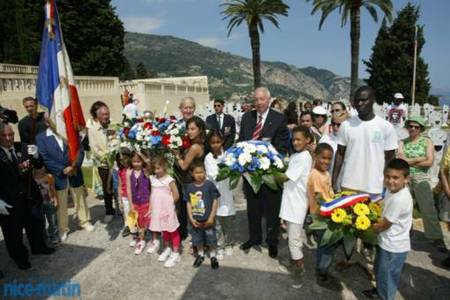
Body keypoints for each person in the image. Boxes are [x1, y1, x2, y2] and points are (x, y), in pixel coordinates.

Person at [332, 86, 398, 282]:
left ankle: (369, 264)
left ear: (373, 100)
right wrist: (335, 180)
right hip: (349, 185)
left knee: (371, 230)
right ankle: (349, 258)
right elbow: (340, 155)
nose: (360, 104)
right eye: (357, 100)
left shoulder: (385, 127)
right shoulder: (346, 126)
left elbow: (390, 159)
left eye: (364, 100)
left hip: (374, 188)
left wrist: (391, 188)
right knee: (349, 225)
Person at [238, 86, 289, 258]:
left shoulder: (279, 118)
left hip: (270, 175)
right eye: (256, 99)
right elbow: (240, 142)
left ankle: (272, 241)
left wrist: (265, 159)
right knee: (252, 208)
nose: (259, 103)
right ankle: (254, 238)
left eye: (262, 99)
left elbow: (282, 146)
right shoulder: (247, 117)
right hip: (249, 174)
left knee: (272, 209)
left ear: (268, 100)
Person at [0, 123, 54, 270]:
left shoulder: (22, 147)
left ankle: (38, 247)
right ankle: (20, 257)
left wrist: (36, 155)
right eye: (4, 135)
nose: (9, 138)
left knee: (35, 224)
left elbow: (37, 166)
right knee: (13, 233)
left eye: (10, 134)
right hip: (9, 200)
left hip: (29, 195)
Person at [363, 159, 413, 300]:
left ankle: (384, 296)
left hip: (393, 247)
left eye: (396, 178)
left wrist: (364, 226)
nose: (390, 181)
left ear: (406, 179)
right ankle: (379, 292)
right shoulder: (395, 190)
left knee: (387, 278)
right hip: (387, 242)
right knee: (380, 271)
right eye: (388, 177)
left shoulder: (400, 199)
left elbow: (384, 225)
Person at [36, 122, 94, 242]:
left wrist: (74, 166)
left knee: (80, 197)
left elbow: (80, 150)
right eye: (50, 119)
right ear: (46, 122)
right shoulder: (41, 138)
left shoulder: (70, 132)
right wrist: (61, 169)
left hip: (74, 172)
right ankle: (63, 228)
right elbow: (45, 157)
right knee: (61, 203)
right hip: (58, 175)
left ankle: (84, 221)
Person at [397, 116, 446, 252]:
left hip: (421, 177)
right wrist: (420, 158)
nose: (413, 128)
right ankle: (405, 232)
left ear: (421, 129)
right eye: (411, 126)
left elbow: (429, 162)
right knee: (403, 206)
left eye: (416, 127)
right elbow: (400, 159)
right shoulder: (402, 142)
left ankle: (436, 237)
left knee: (427, 207)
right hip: (405, 177)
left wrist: (409, 160)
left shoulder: (427, 142)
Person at [279, 126, 313, 276]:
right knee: (293, 236)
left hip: (297, 203)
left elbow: (286, 177)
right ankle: (295, 263)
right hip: (291, 201)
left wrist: (269, 173)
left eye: (299, 139)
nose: (295, 142)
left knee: (294, 239)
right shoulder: (296, 156)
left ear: (308, 140)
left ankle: (298, 270)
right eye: (293, 139)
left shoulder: (304, 157)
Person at [307, 143, 338, 288]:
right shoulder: (315, 175)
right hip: (320, 215)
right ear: (315, 157)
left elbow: (329, 193)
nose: (326, 161)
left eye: (329, 159)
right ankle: (321, 272)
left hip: (328, 213)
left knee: (326, 245)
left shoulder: (326, 173)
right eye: (323, 158)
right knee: (326, 245)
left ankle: (322, 268)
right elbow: (320, 199)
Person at [205, 130, 236, 259]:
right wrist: (226, 170)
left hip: (227, 193)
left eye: (218, 142)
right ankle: (219, 245)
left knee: (228, 221)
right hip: (215, 194)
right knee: (216, 223)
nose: (216, 145)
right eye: (213, 142)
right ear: (209, 143)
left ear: (222, 141)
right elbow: (214, 175)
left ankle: (228, 243)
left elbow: (233, 170)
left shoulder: (228, 155)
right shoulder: (208, 158)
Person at [184, 159, 220, 269]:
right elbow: (188, 203)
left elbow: (215, 200)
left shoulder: (209, 185)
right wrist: (191, 218)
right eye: (197, 172)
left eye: (202, 172)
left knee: (211, 239)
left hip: (208, 220)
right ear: (192, 174)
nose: (200, 175)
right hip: (195, 220)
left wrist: (212, 216)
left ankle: (213, 256)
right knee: (197, 239)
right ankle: (200, 255)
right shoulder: (189, 187)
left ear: (205, 172)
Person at [148, 155, 181, 268]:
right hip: (158, 210)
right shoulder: (153, 179)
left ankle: (176, 252)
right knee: (164, 230)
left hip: (168, 210)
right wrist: (151, 208)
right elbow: (152, 195)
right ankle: (167, 248)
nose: (157, 171)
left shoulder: (169, 180)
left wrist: (169, 206)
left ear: (164, 166)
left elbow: (176, 195)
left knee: (172, 229)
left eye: (159, 168)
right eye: (155, 169)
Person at [87, 101, 116, 222]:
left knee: (119, 186)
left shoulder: (114, 124)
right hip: (104, 164)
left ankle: (120, 208)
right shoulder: (92, 129)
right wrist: (107, 157)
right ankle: (109, 210)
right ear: (98, 116)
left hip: (116, 162)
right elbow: (95, 148)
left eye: (107, 114)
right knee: (107, 187)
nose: (106, 116)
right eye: (103, 114)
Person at [174, 97, 198, 240]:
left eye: (190, 107)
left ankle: (197, 231)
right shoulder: (175, 126)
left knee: (195, 201)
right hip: (178, 169)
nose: (188, 110)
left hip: (194, 169)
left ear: (194, 108)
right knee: (180, 202)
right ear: (181, 109)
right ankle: (182, 230)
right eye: (185, 108)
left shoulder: (200, 125)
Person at [126, 151, 151, 255]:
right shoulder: (129, 172)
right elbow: (128, 189)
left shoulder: (145, 171)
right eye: (134, 161)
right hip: (135, 201)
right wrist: (130, 204)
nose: (136, 163)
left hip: (145, 200)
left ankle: (145, 239)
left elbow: (149, 163)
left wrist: (140, 152)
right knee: (137, 221)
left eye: (139, 161)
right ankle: (141, 240)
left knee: (145, 220)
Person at [319, 112, 348, 190]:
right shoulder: (325, 139)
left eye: (339, 125)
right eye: (333, 124)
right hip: (327, 183)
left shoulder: (350, 140)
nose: (335, 127)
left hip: (345, 183)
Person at [33, 166, 59, 245]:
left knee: (53, 220)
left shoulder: (49, 177)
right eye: (38, 167)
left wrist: (55, 199)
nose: (41, 169)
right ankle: (44, 237)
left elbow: (53, 188)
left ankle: (54, 235)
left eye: (42, 167)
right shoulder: (32, 178)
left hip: (49, 202)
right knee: (41, 222)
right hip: (38, 203)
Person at [116, 149, 132, 237]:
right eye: (121, 160)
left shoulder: (133, 169)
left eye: (125, 158)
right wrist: (120, 200)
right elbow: (119, 186)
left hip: (134, 196)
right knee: (126, 211)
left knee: (135, 211)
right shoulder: (120, 171)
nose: (123, 161)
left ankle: (137, 227)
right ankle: (127, 226)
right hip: (125, 196)